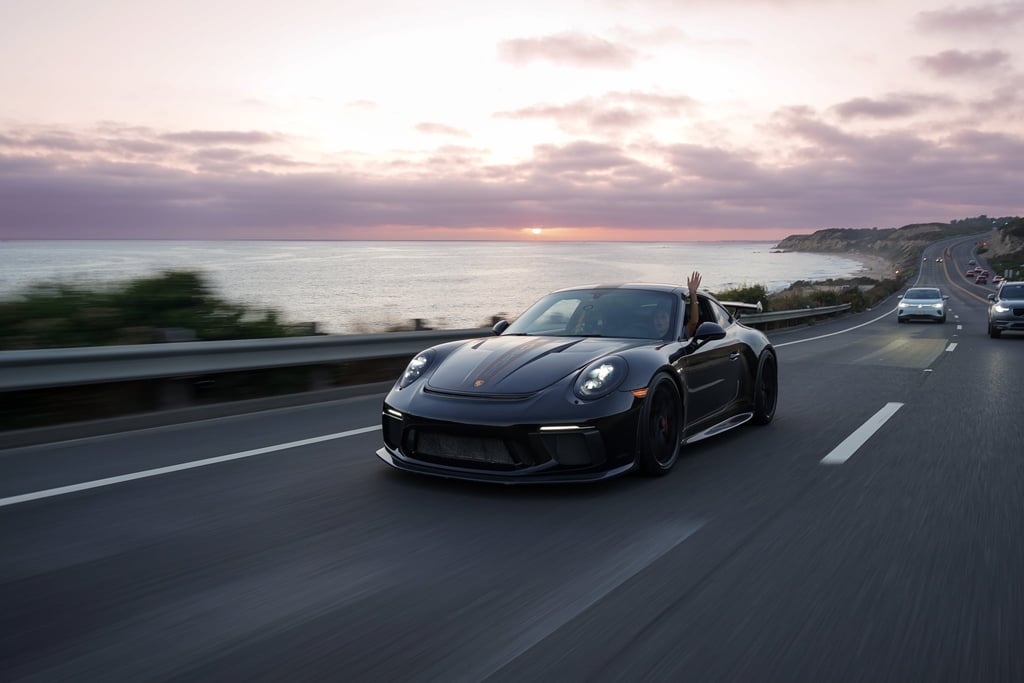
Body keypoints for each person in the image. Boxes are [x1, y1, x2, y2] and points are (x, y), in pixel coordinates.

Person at [685, 270, 702, 337]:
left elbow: (693, 322)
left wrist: (692, 293)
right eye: (657, 317)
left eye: (663, 317)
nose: (659, 321)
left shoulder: (679, 331)